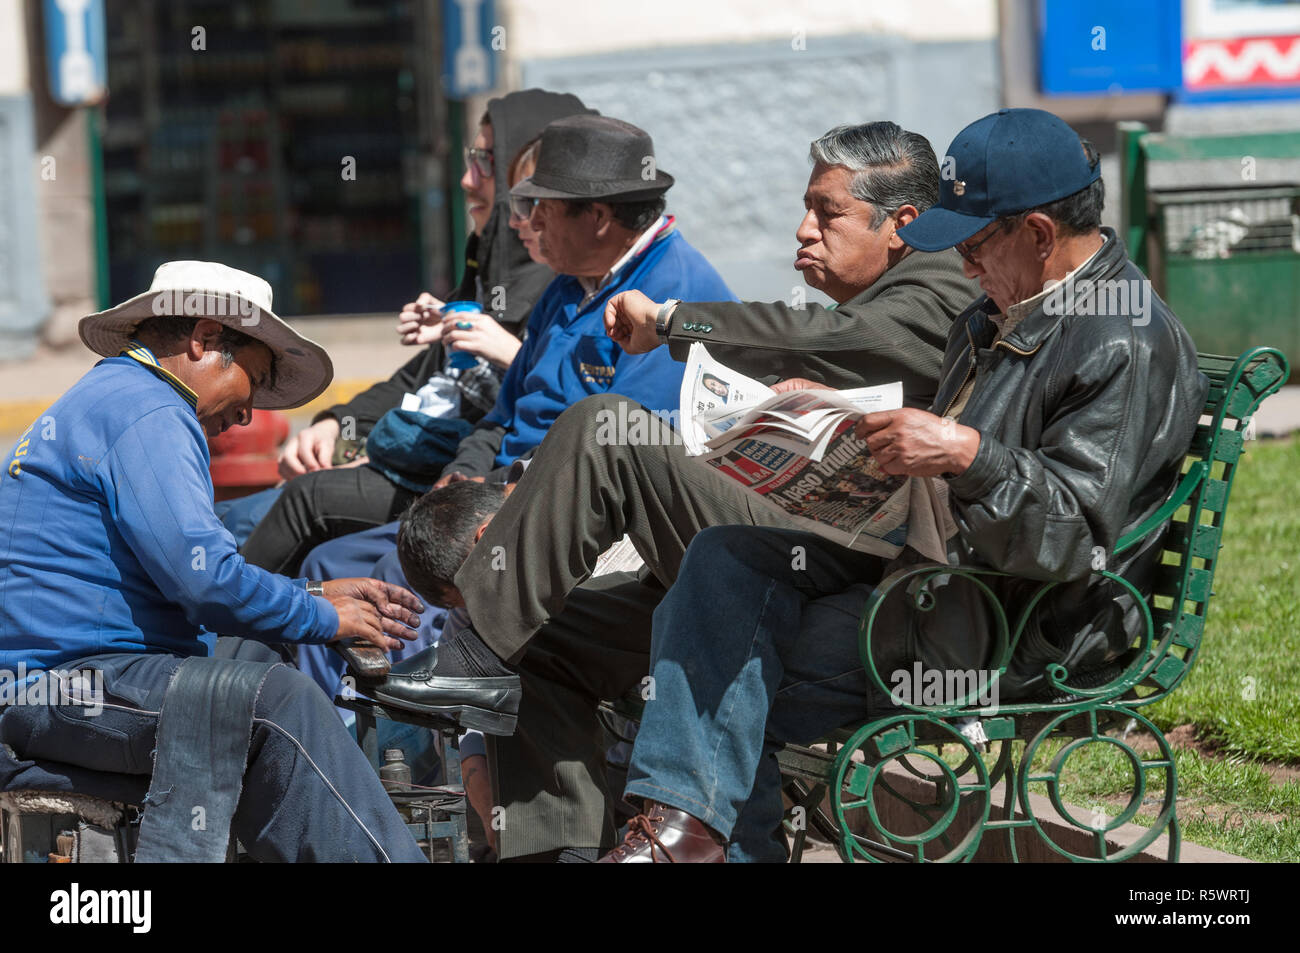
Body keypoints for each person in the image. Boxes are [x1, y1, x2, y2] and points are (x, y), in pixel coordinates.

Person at [595, 107, 1210, 862]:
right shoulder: (1006, 307)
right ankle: (689, 837)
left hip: (1015, 625)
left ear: (1041, 236)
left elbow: (1070, 537)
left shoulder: (1120, 338)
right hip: (943, 575)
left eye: (972, 245)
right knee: (727, 559)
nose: (962, 267)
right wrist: (838, 431)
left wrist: (964, 452)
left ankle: (688, 838)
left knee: (720, 676)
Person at [381, 121, 977, 862]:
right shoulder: (877, 303)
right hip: (786, 551)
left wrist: (667, 324)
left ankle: (474, 653)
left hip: (855, 580)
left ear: (903, 226)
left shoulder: (939, 284)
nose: (804, 230)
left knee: (607, 430)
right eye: (806, 208)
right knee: (543, 641)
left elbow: (806, 336)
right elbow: (830, 353)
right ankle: (549, 848)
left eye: (827, 214)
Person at [0, 261, 428, 862]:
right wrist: (325, 618)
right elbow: (205, 581)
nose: (248, 414)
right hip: (63, 685)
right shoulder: (149, 409)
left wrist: (310, 597)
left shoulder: (119, 394)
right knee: (277, 704)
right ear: (204, 340)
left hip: (69, 677)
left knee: (260, 654)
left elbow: (194, 570)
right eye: (252, 381)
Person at [227, 89, 592, 565]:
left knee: (291, 518)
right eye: (470, 158)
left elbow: (557, 414)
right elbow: (422, 378)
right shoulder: (490, 271)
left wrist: (506, 351)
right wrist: (339, 424)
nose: (466, 179)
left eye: (485, 161)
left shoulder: (568, 287)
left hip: (458, 488)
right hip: (419, 465)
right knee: (233, 520)